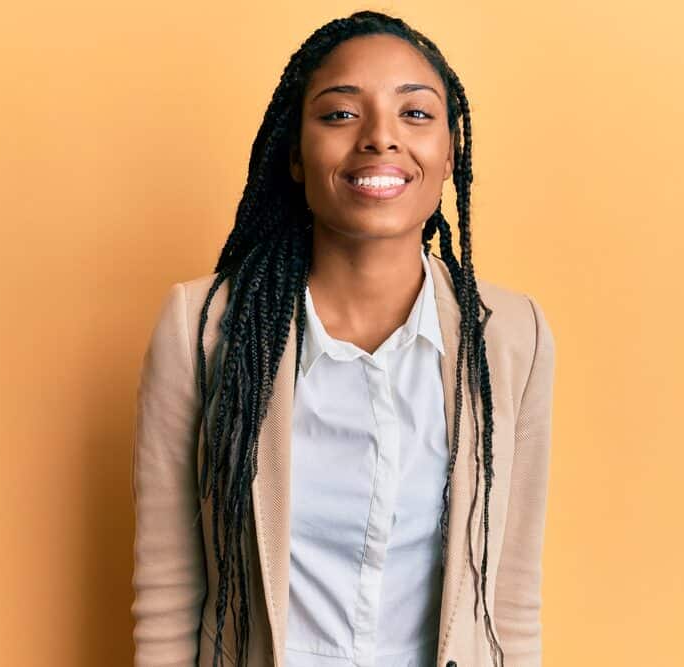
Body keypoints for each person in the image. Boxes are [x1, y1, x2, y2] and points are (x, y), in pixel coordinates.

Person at [131, 10, 556, 667]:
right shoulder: (203, 326)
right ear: (295, 156)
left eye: (415, 114)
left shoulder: (512, 338)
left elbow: (510, 602)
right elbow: (168, 593)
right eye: (339, 115)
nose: (380, 138)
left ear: (450, 152)